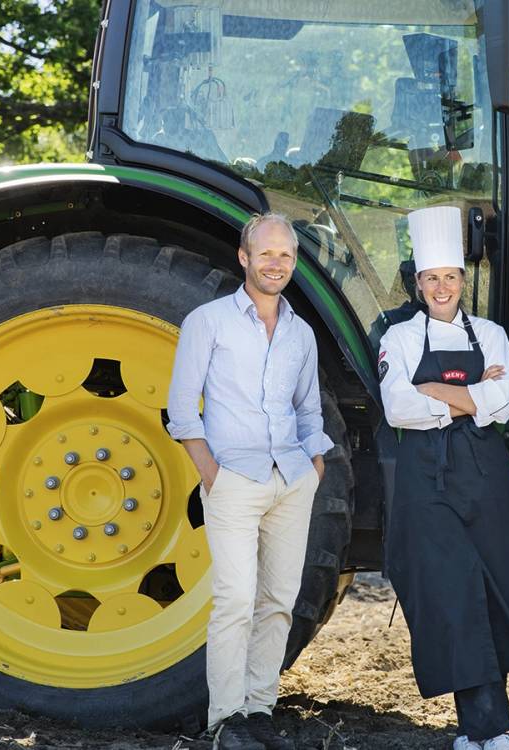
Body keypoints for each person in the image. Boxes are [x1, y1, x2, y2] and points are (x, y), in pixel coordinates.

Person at [379, 205, 509, 750]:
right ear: (419, 282)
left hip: (487, 475)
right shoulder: (398, 338)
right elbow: (397, 407)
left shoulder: (492, 333)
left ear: (462, 280)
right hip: (427, 478)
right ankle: (486, 730)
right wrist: (474, 398)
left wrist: (437, 393)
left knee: (495, 590)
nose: (442, 286)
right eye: (432, 278)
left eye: (450, 277)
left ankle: (482, 731)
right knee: (452, 595)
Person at [167, 212, 332, 750]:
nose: (276, 263)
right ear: (244, 257)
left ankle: (259, 711)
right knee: (235, 598)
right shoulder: (207, 322)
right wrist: (211, 472)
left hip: (291, 477)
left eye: (286, 255)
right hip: (234, 478)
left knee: (279, 599)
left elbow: (308, 409)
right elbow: (180, 409)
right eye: (266, 253)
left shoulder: (300, 333)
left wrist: (315, 463)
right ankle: (225, 719)